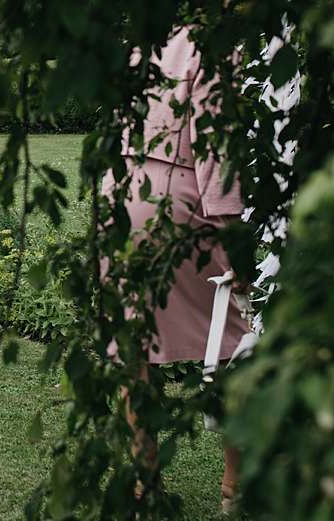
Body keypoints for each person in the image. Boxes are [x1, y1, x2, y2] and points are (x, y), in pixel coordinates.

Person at [109, 25, 247, 511]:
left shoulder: (148, 36)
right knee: (235, 330)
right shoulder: (214, 43)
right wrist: (235, 236)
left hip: (122, 190)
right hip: (178, 198)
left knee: (135, 339)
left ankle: (147, 480)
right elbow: (215, 148)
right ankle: (236, 484)